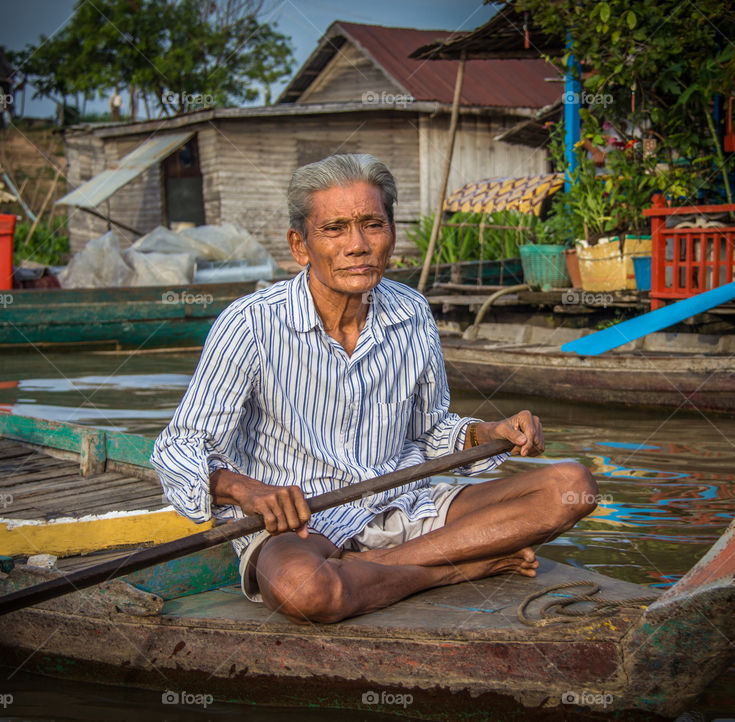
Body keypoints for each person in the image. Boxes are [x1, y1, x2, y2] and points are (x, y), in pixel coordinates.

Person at [152, 154, 597, 624]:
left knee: (572, 487)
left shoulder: (412, 312)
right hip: (304, 524)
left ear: (391, 236)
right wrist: (247, 490)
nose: (358, 245)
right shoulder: (250, 324)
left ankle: (378, 568)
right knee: (306, 592)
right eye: (335, 229)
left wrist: (489, 433)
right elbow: (178, 447)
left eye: (371, 225)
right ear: (300, 245)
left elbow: (431, 433)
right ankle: (451, 569)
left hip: (407, 507)